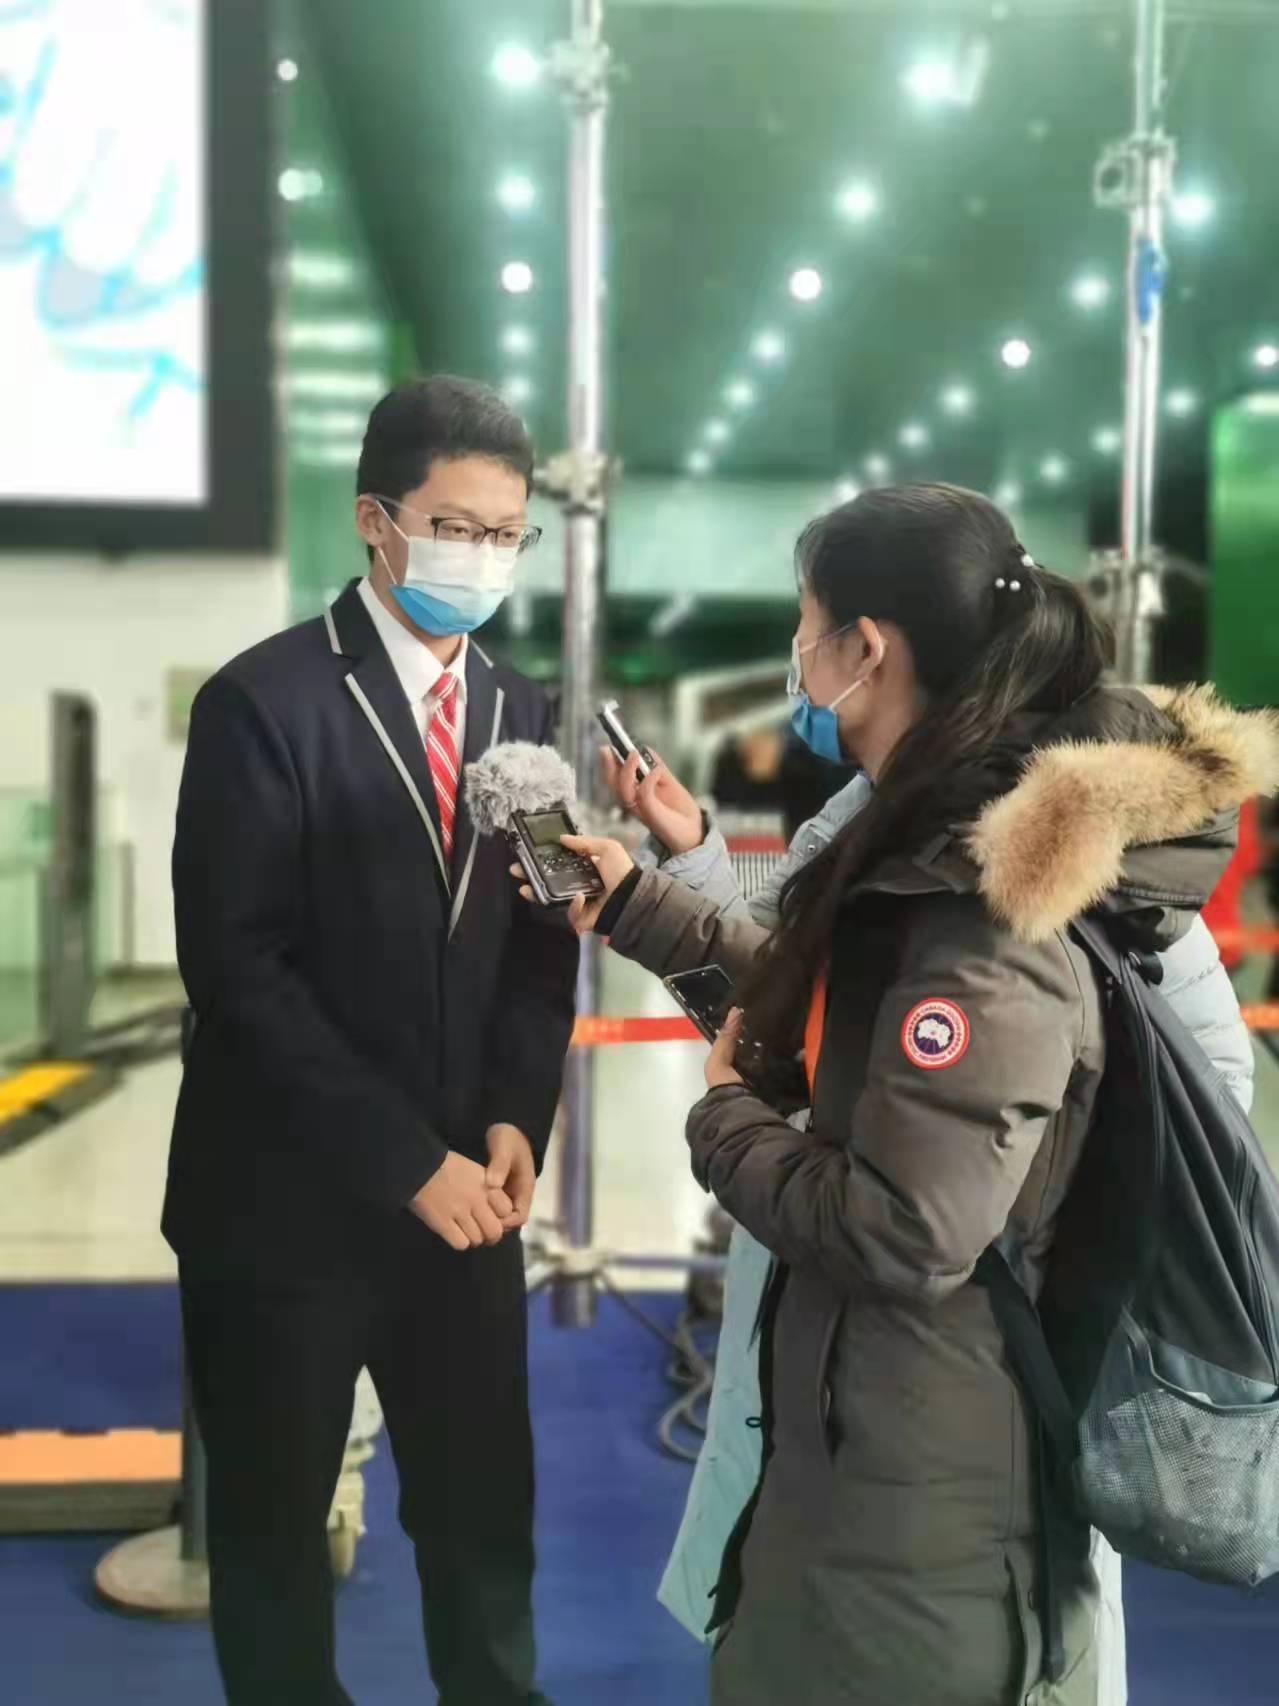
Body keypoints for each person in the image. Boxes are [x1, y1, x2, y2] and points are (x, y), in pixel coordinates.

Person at [535, 484, 1271, 1704]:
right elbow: (840, 1008)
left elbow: (907, 1223)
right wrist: (643, 905)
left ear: (863, 648)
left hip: (930, 1462)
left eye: (803, 624)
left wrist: (723, 1119)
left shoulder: (995, 884)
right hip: (876, 1431)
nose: (795, 656)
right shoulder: (925, 827)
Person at [165, 376, 579, 1706]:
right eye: (456, 527)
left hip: (469, 1205)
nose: (483, 559)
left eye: (507, 534)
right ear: (375, 520)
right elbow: (241, 973)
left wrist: (513, 1114)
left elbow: (542, 946)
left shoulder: (521, 714)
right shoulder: (263, 703)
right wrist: (408, 1161)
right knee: (274, 1533)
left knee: (481, 1514)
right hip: (283, 1205)